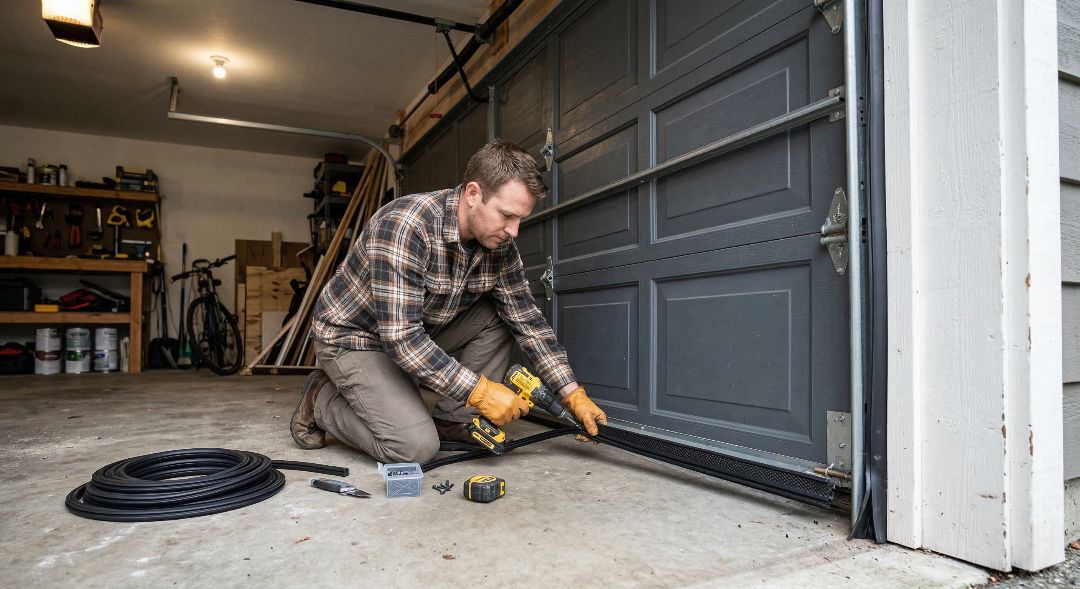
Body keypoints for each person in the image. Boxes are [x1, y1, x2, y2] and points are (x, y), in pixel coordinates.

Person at [290, 139, 606, 464]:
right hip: (355, 339)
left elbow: (528, 321)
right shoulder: (405, 226)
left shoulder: (499, 247)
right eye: (507, 215)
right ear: (472, 194)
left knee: (502, 314)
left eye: (520, 219)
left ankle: (453, 419)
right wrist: (479, 391)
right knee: (414, 449)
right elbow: (402, 340)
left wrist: (571, 393)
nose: (514, 231)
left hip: (417, 330)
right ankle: (320, 400)